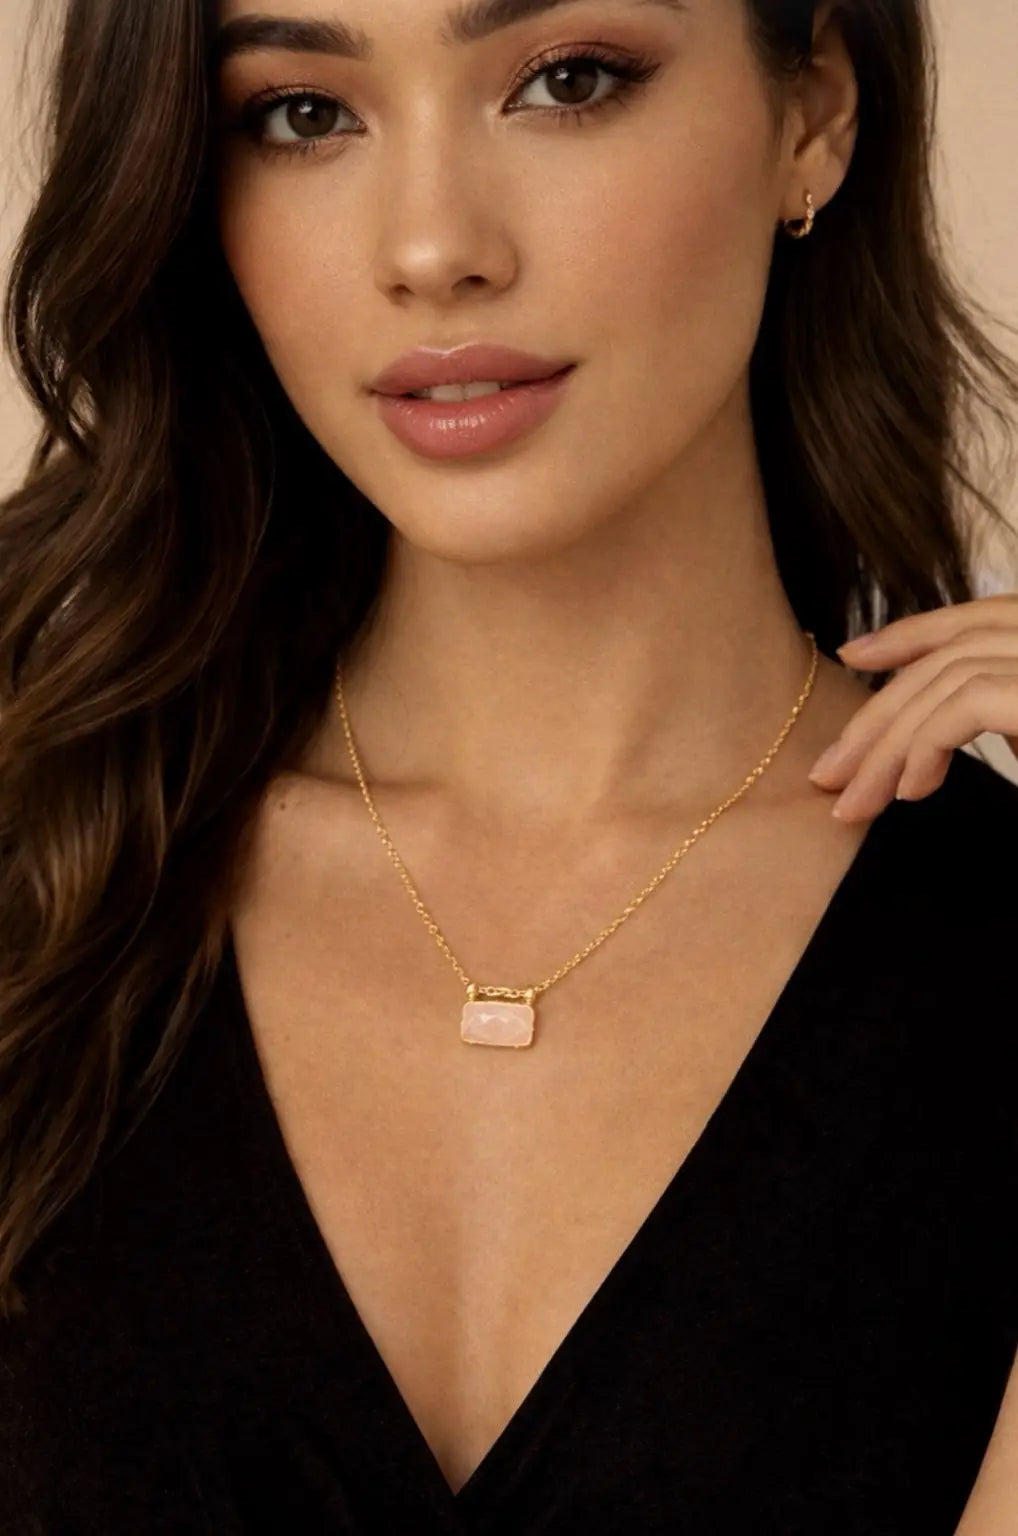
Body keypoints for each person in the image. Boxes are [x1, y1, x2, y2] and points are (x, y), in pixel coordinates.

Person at [0, 0, 1016, 1529]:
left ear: (808, 118)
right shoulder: (39, 888)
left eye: (567, 80)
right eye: (301, 113)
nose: (430, 247)